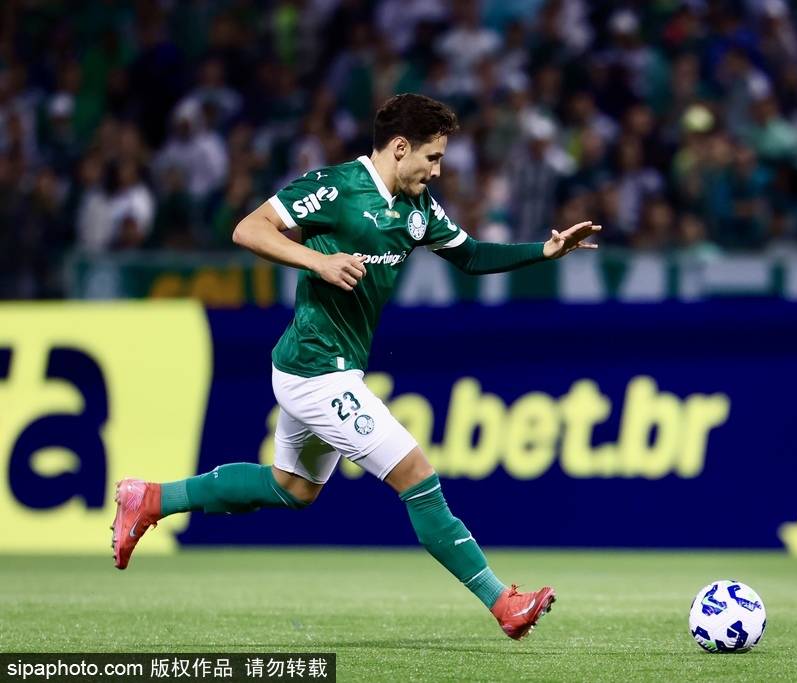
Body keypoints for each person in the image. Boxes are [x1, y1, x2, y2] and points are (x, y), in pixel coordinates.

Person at [110, 93, 600, 640]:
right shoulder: (335, 187)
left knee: (292, 488)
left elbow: (470, 255)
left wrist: (544, 251)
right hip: (316, 370)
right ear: (400, 147)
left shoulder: (417, 209)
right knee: (416, 476)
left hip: (323, 369)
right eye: (433, 157)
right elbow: (249, 228)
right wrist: (317, 260)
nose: (438, 171)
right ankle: (503, 602)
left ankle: (150, 498)